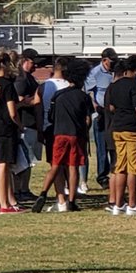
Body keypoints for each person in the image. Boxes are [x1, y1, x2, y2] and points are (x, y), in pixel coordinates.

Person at [32, 58, 91, 213]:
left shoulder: (58, 95)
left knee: (55, 166)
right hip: (75, 135)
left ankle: (43, 194)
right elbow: (87, 119)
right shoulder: (83, 96)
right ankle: (71, 200)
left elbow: (50, 116)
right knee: (73, 167)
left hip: (58, 133)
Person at [106, 55, 136, 215]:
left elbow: (111, 107)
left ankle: (118, 204)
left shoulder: (114, 86)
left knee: (120, 166)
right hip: (134, 129)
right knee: (134, 167)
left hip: (117, 127)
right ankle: (132, 204)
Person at [0, 51, 24, 214]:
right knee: (3, 165)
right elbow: (12, 112)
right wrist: (19, 125)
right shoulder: (7, 85)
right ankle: (4, 204)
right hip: (6, 127)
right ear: (4, 65)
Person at [84, 48, 118, 192]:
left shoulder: (116, 72)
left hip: (115, 114)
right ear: (104, 60)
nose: (113, 63)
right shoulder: (95, 73)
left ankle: (116, 173)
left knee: (115, 146)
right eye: (111, 61)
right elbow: (89, 94)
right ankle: (103, 176)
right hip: (102, 114)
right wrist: (96, 108)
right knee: (102, 147)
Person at [13, 49, 41, 201]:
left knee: (30, 160)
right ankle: (20, 189)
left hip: (32, 124)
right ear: (25, 60)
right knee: (24, 160)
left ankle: (24, 188)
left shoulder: (29, 77)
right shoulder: (21, 80)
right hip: (25, 124)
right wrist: (34, 101)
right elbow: (18, 101)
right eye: (33, 61)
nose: (35, 65)